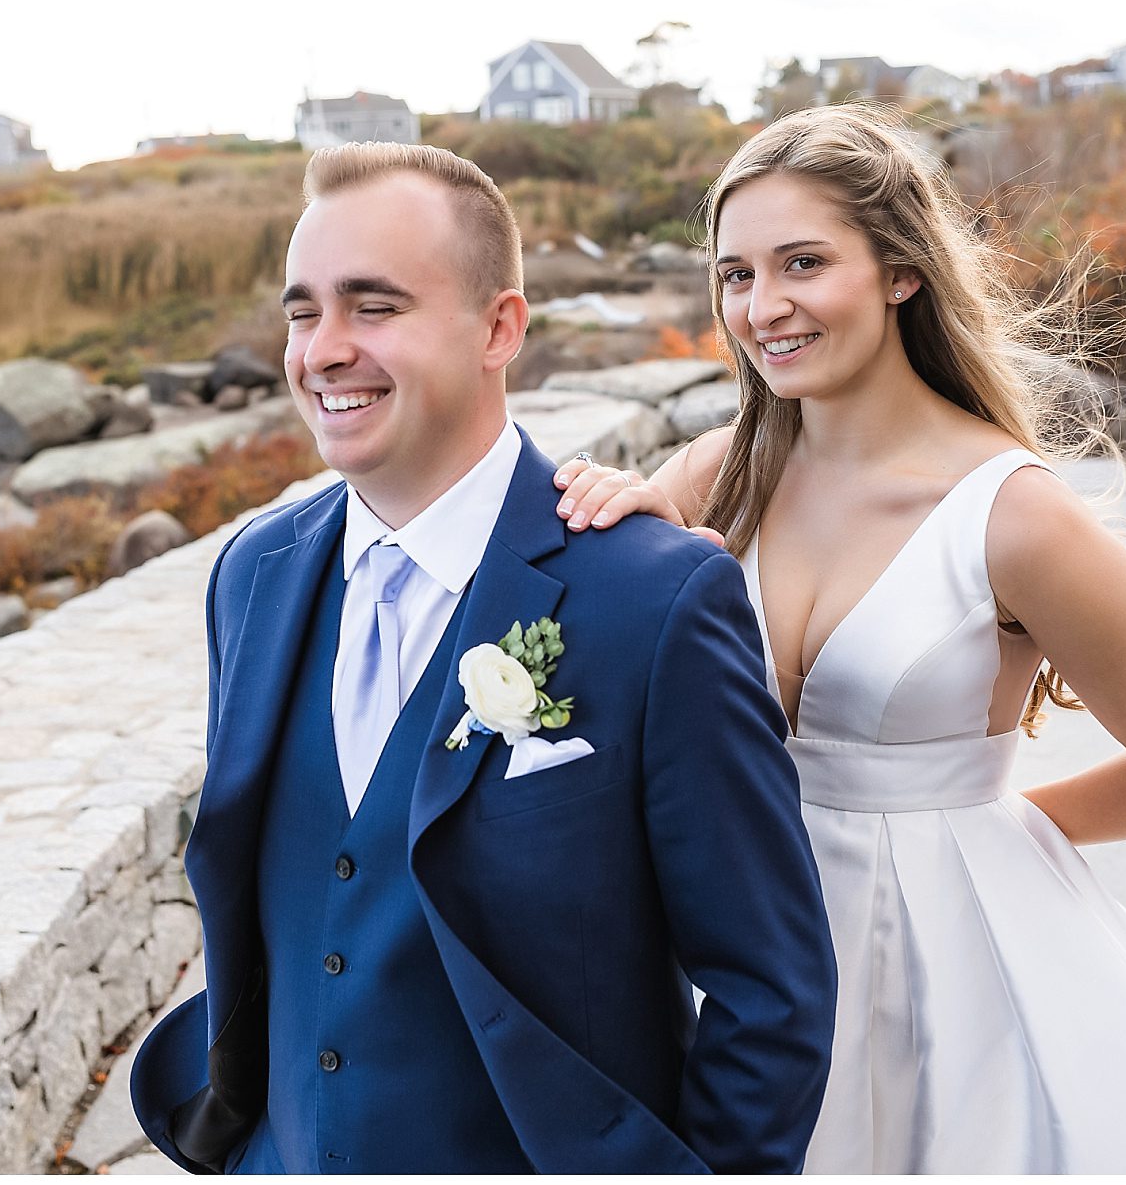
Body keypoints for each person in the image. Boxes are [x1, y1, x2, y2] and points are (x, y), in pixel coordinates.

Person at [553, 102, 1126, 1174]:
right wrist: (594, 519)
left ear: (899, 271)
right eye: (734, 275)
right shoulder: (714, 476)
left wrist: (987, 838)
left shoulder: (1012, 515)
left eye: (803, 263)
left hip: (949, 958)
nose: (761, 306)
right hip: (736, 947)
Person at [128, 141, 838, 1174]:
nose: (322, 349)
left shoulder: (652, 598)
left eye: (373, 308)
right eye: (300, 311)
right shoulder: (253, 575)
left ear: (499, 326)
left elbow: (769, 989)